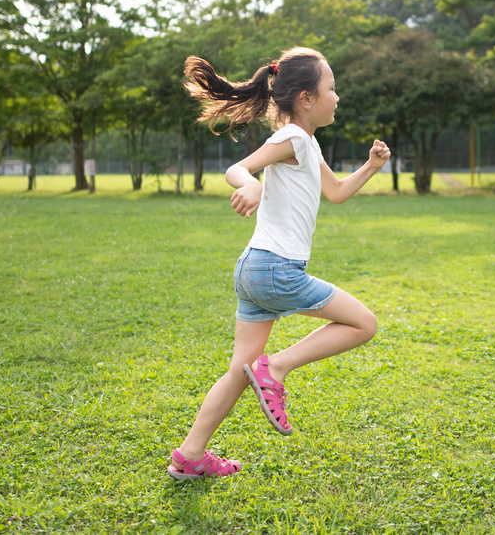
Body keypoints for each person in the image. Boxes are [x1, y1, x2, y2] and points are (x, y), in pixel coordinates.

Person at [167, 46, 390, 480]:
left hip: (254, 270)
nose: (338, 96)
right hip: (277, 269)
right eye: (332, 88)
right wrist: (249, 184)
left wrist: (371, 166)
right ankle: (279, 367)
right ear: (306, 98)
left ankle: (191, 455)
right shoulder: (289, 138)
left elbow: (337, 192)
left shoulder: (306, 142)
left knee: (239, 370)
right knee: (364, 324)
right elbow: (238, 168)